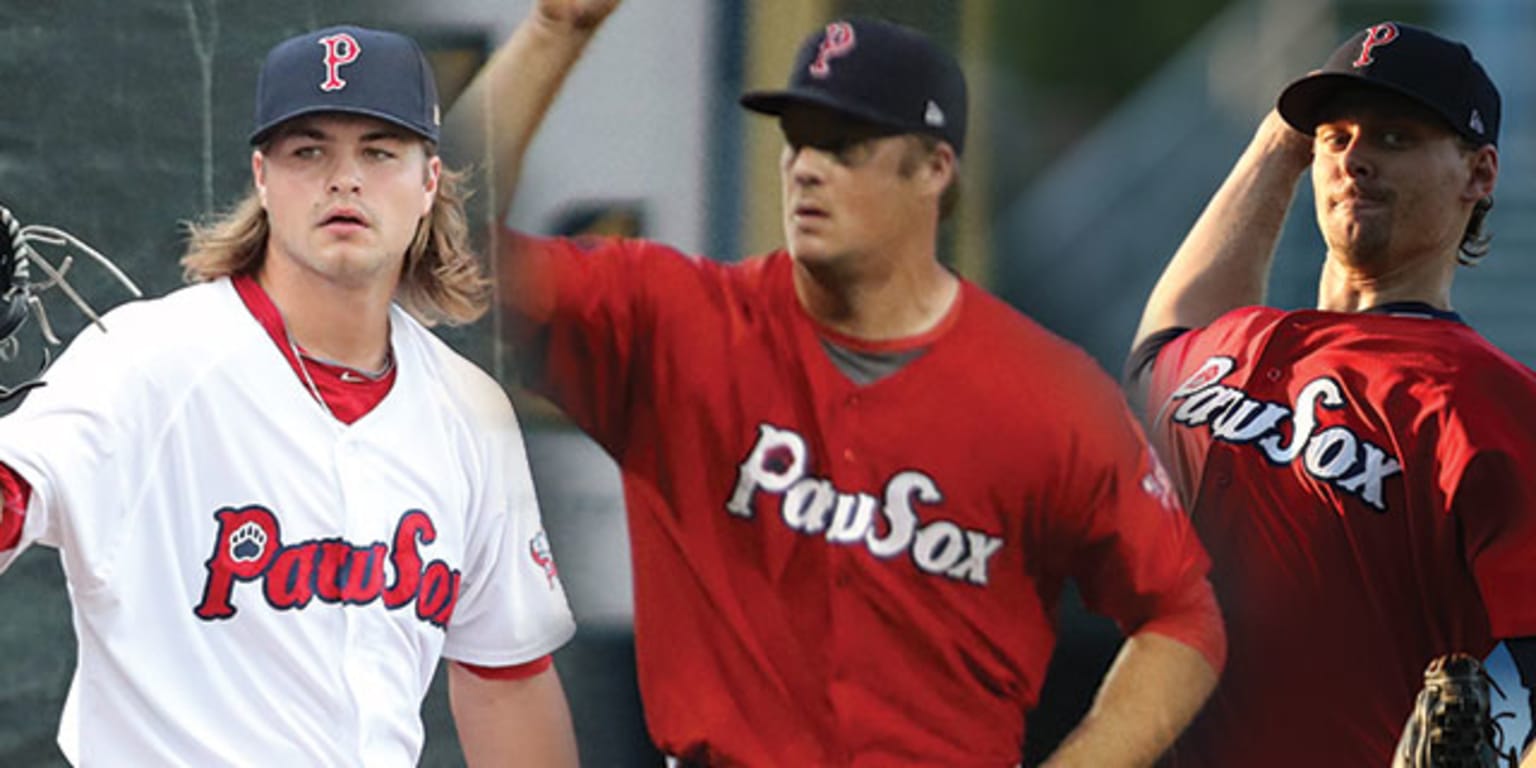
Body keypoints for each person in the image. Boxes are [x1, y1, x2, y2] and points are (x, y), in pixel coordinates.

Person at [448, 1, 1225, 764]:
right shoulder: (674, 320)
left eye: (846, 144)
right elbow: (436, 245)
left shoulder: (1050, 393)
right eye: (798, 141)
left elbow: (1183, 620)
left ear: (934, 170)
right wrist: (556, 32)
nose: (808, 167)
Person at [0, 25, 578, 766]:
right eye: (309, 151)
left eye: (379, 150)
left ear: (430, 180)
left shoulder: (470, 411)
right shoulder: (145, 362)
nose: (345, 178)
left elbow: (507, 675)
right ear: (263, 177)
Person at [1127, 21, 1536, 766]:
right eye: (1335, 137)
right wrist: (1283, 138)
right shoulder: (1235, 341)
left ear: (1480, 174)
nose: (1355, 160)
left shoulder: (1496, 405)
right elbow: (1159, 347)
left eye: (1394, 138)